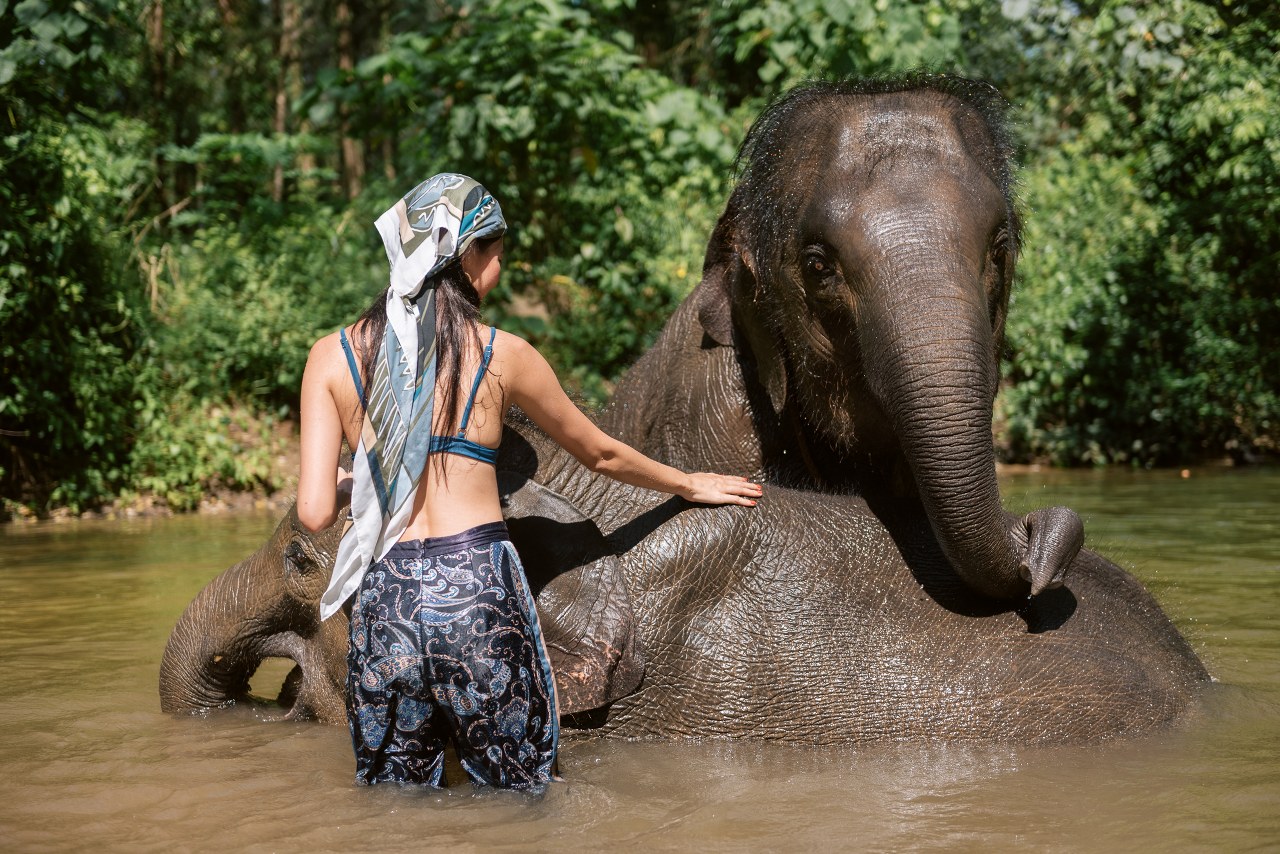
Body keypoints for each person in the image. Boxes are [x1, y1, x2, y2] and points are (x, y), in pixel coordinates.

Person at [297, 173, 762, 791]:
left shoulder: (332, 356)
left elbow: (312, 514)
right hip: (477, 590)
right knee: (522, 795)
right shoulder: (501, 353)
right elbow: (599, 453)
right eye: (496, 257)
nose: (499, 272)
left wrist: (354, 478)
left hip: (389, 602)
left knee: (393, 801)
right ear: (466, 257)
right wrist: (687, 483)